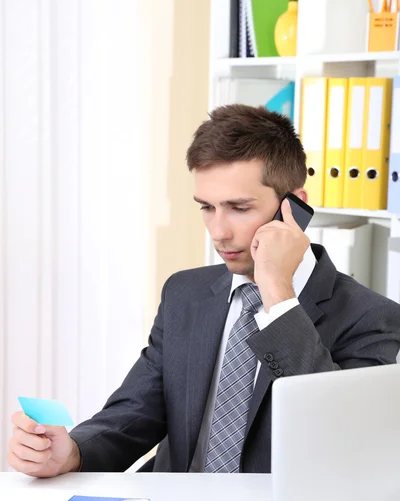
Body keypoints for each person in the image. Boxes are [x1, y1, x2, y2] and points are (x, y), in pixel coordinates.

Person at [8, 104, 400, 478]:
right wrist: (73, 453)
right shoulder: (185, 293)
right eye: (207, 208)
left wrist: (278, 294)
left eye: (239, 208)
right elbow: (139, 410)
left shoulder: (370, 317)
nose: (218, 231)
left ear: (293, 208)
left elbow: (344, 438)